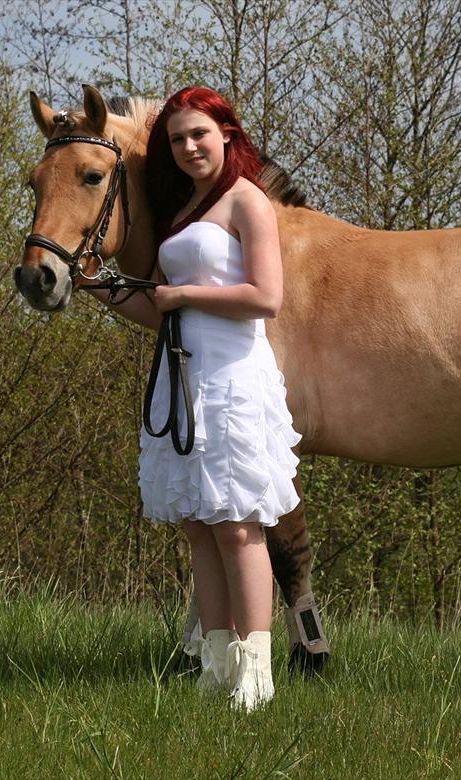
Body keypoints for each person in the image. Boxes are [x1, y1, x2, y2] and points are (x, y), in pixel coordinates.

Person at [103, 86, 301, 711]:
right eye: (177, 139)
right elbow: (158, 311)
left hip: (234, 375)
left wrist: (184, 296)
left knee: (239, 527)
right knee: (199, 525)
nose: (188, 147)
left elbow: (266, 297)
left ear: (227, 135)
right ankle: (216, 665)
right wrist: (97, 288)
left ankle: (258, 675)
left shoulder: (249, 202)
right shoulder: (185, 211)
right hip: (183, 375)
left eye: (199, 135)